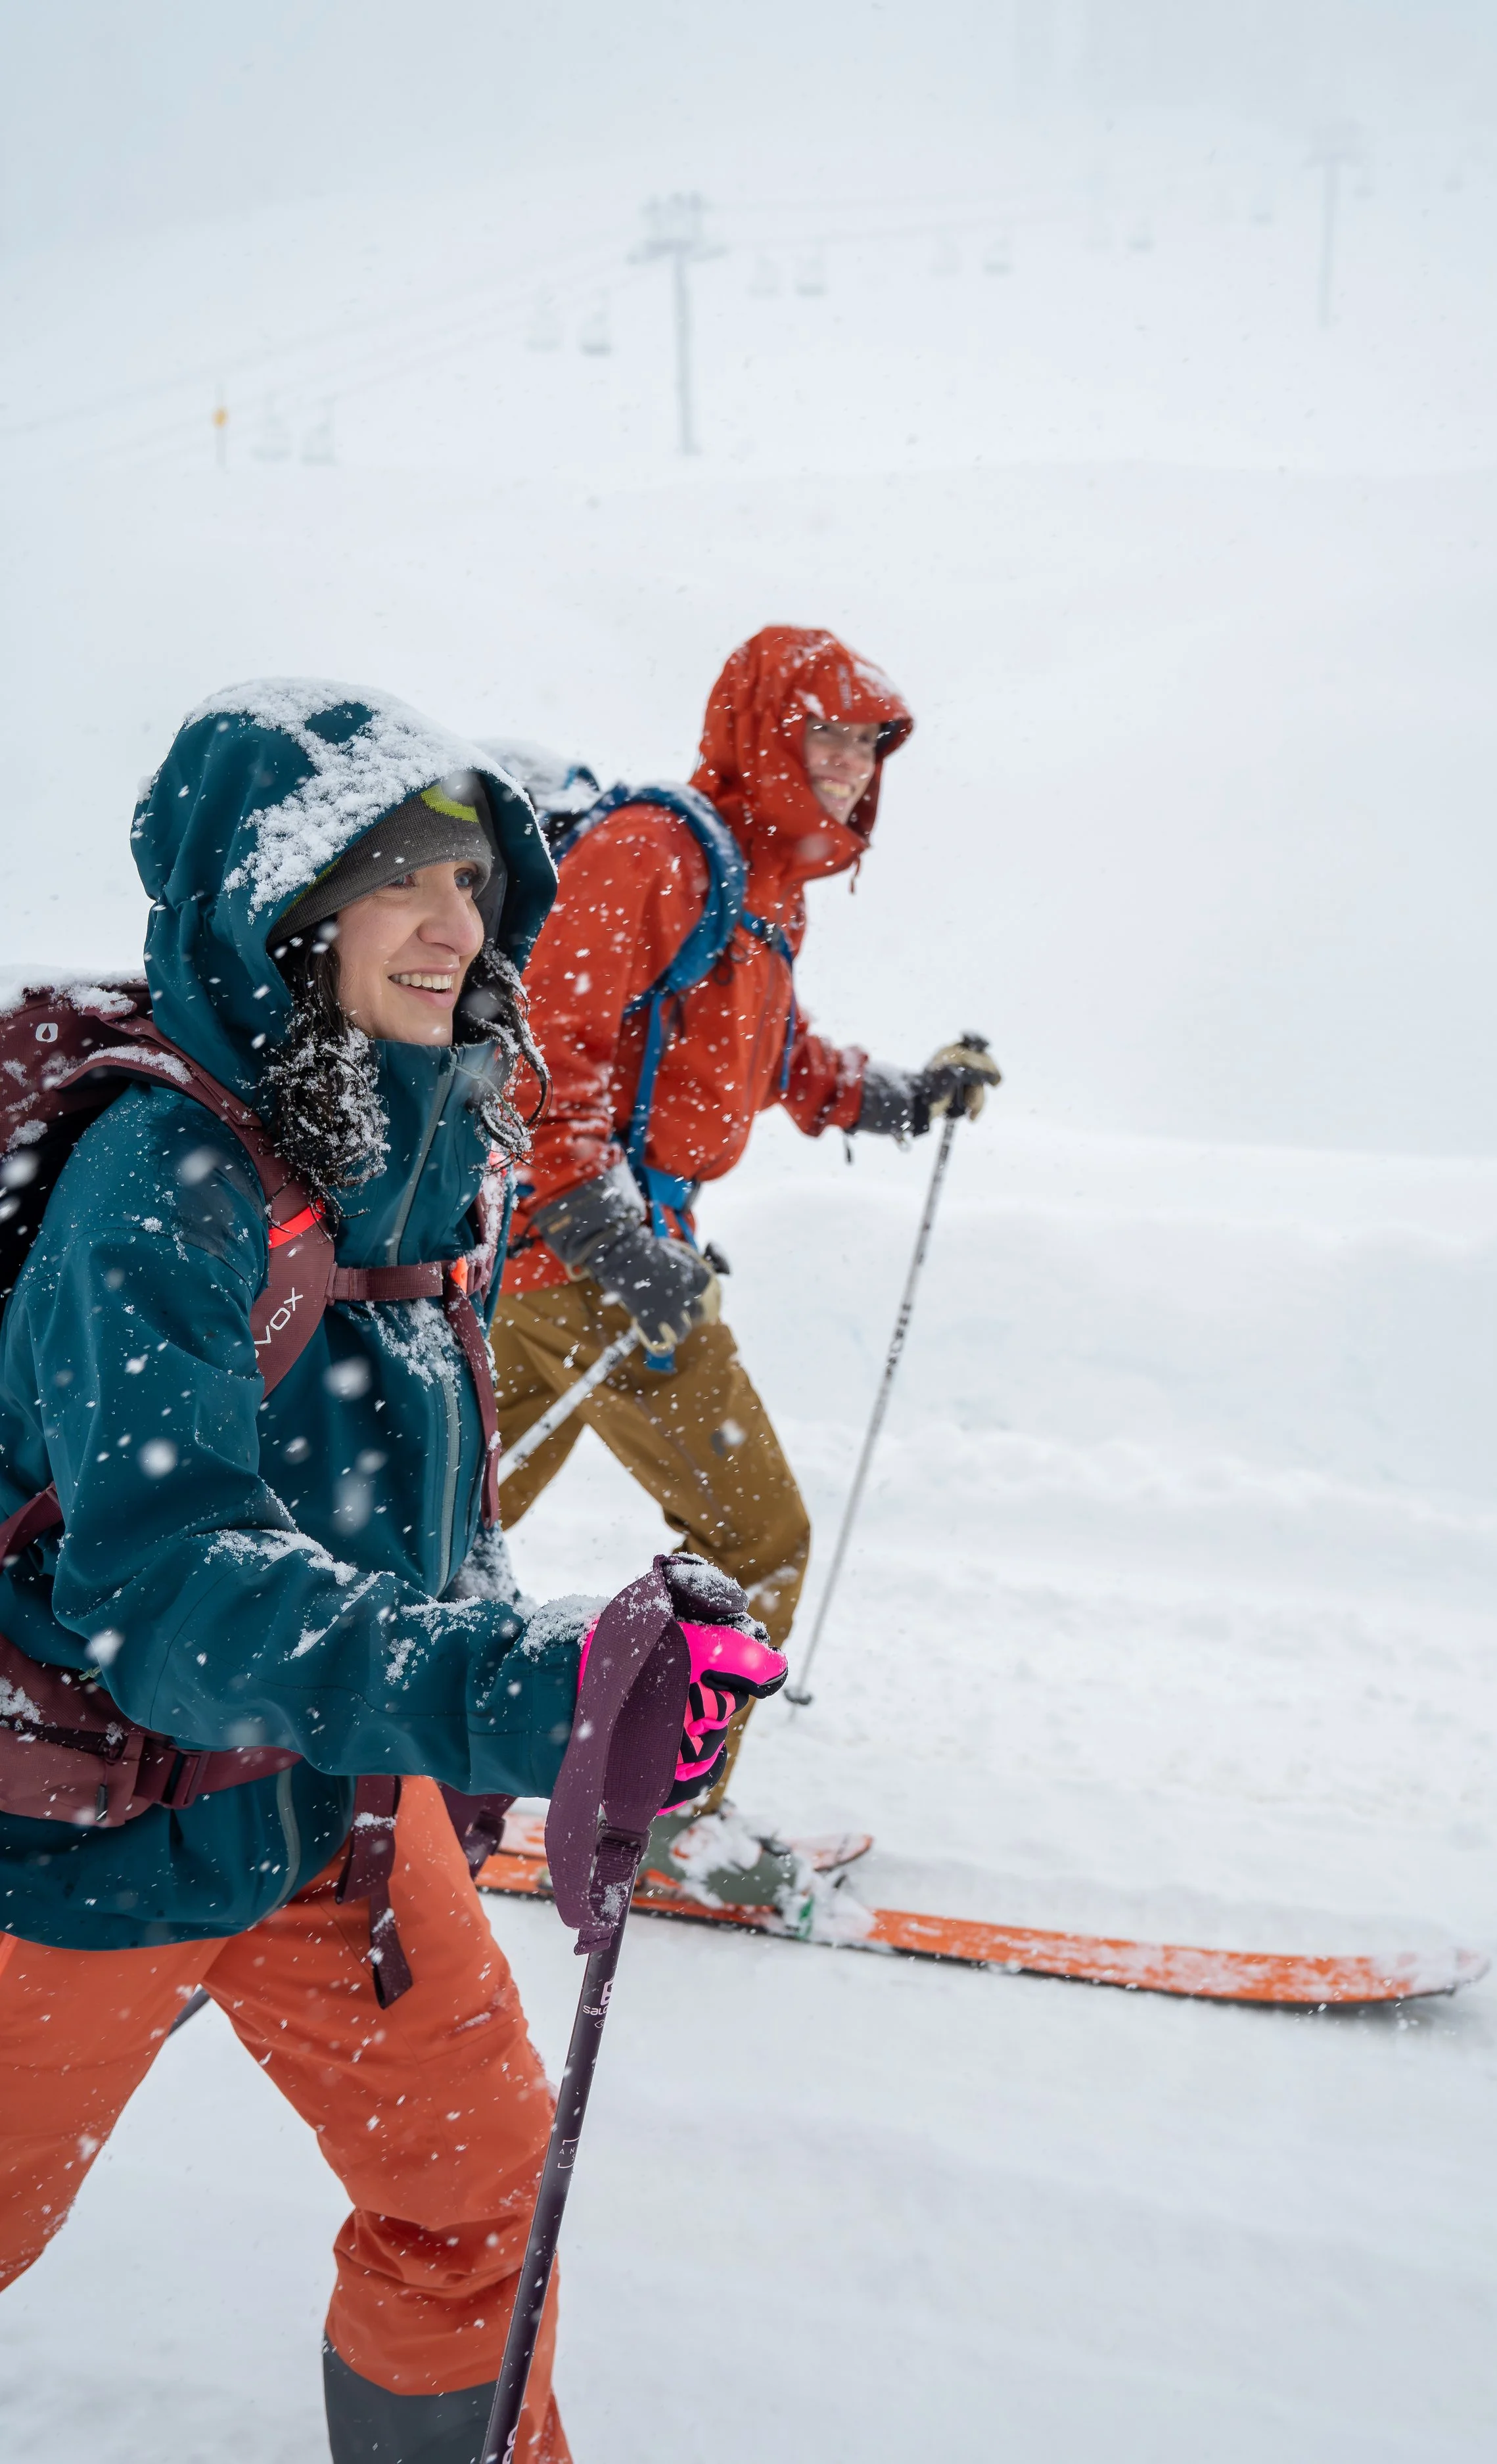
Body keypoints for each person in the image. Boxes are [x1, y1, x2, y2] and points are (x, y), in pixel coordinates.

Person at [0, 683, 765, 2464]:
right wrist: (519, 1689)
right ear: (278, 902)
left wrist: (567, 1693)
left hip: (325, 1804)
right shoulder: (162, 1179)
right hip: (81, 1828)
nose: (451, 923)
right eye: (392, 878)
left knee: (481, 2206)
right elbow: (176, 1590)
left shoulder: (417, 1146)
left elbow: (410, 1511)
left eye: (474, 879)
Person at [490, 627, 999, 1908]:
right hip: (572, 1265)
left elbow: (761, 1053)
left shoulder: (760, 886)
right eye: (827, 735)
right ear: (766, 732)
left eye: (868, 744)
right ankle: (655, 1820)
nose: (849, 766)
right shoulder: (651, 853)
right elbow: (550, 1053)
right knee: (743, 1535)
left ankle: (296, 1757)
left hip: (588, 1266)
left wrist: (896, 1098)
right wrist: (611, 1236)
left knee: (449, 1526)